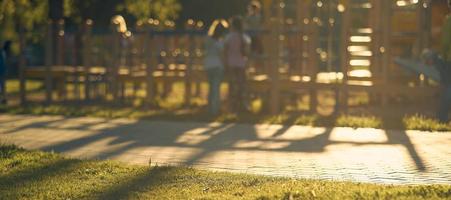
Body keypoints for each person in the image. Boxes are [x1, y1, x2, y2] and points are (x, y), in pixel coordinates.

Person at [224, 16, 251, 112]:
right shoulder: (244, 37)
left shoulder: (228, 37)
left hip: (231, 63)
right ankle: (243, 105)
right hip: (241, 63)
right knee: (242, 85)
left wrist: (225, 63)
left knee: (232, 85)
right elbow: (247, 52)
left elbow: (225, 51)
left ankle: (232, 106)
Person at [204, 19, 228, 115]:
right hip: (217, 66)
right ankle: (215, 109)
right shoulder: (220, 42)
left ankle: (209, 108)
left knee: (211, 88)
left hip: (208, 65)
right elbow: (222, 56)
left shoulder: (208, 40)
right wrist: (225, 66)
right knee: (216, 88)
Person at [437, 0, 451, 123]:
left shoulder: (448, 21)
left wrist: (442, 56)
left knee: (447, 88)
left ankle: (442, 117)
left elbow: (445, 42)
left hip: (449, 60)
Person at [0, 41, 11, 105]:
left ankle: (4, 99)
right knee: (2, 86)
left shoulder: (3, 52)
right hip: (2, 71)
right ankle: (3, 99)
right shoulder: (3, 52)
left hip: (2, 71)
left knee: (2, 86)